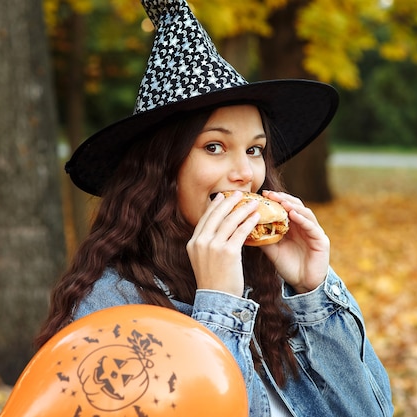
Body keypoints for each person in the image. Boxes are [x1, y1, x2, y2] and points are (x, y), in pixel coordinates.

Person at [35, 0, 394, 416]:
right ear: (160, 169)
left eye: (256, 149)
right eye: (214, 146)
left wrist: (314, 294)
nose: (245, 172)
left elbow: (370, 411)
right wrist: (219, 308)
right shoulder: (112, 308)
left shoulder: (271, 284)